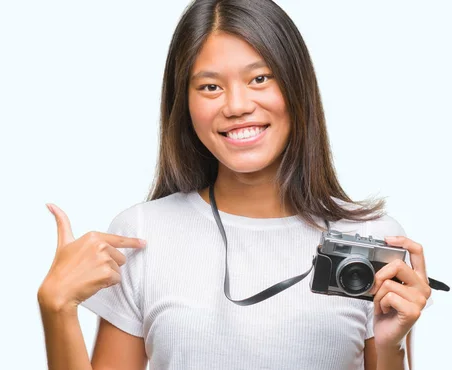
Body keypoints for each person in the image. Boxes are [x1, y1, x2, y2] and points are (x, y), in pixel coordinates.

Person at [37, 1, 433, 369]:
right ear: (185, 103)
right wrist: (57, 308)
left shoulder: (373, 240)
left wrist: (389, 346)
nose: (237, 105)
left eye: (259, 78)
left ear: (297, 87)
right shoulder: (140, 235)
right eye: (210, 86)